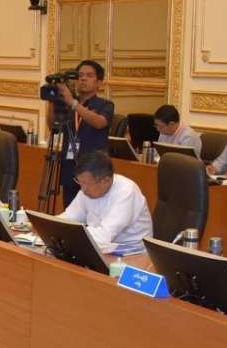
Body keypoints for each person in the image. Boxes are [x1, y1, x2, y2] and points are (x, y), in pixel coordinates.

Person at [59, 152, 152, 255]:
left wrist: (69, 236)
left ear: (106, 181)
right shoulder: (86, 191)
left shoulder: (126, 191)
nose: (83, 189)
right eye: (80, 182)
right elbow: (69, 217)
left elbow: (104, 235)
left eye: (86, 184)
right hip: (103, 248)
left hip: (133, 253)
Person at [51, 60, 114, 204]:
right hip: (70, 168)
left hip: (93, 170)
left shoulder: (105, 105)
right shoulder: (69, 104)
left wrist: (73, 103)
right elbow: (53, 127)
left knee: (93, 213)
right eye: (80, 75)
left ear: (99, 83)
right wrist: (53, 101)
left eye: (89, 75)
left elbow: (99, 122)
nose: (83, 78)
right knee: (70, 211)